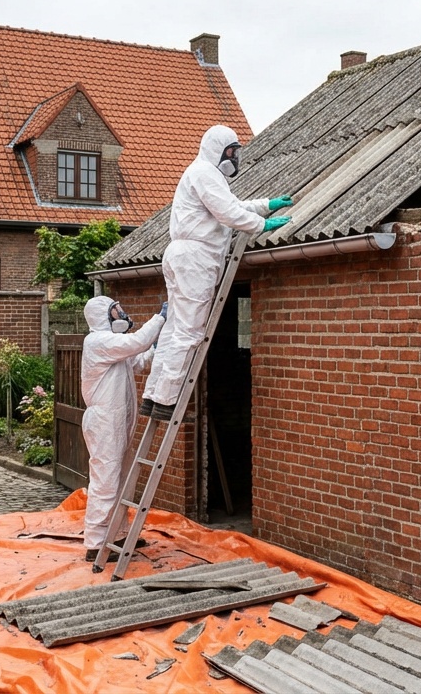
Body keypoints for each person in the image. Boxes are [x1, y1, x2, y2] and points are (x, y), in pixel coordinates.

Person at [140, 125, 292, 420]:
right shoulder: (205, 173)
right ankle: (168, 401)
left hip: (182, 256)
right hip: (195, 259)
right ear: (218, 150)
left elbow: (231, 205)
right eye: (232, 152)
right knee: (189, 332)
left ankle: (154, 396)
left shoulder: (202, 174)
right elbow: (227, 212)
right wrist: (261, 225)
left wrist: (266, 206)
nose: (235, 158)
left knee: (173, 329)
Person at [80, 294, 166, 560]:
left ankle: (117, 535)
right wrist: (161, 318)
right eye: (117, 311)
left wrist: (158, 345)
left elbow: (138, 359)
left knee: (119, 479)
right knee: (105, 481)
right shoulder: (97, 341)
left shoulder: (114, 346)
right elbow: (136, 342)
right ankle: (95, 543)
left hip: (116, 421)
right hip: (104, 422)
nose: (124, 314)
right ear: (103, 315)